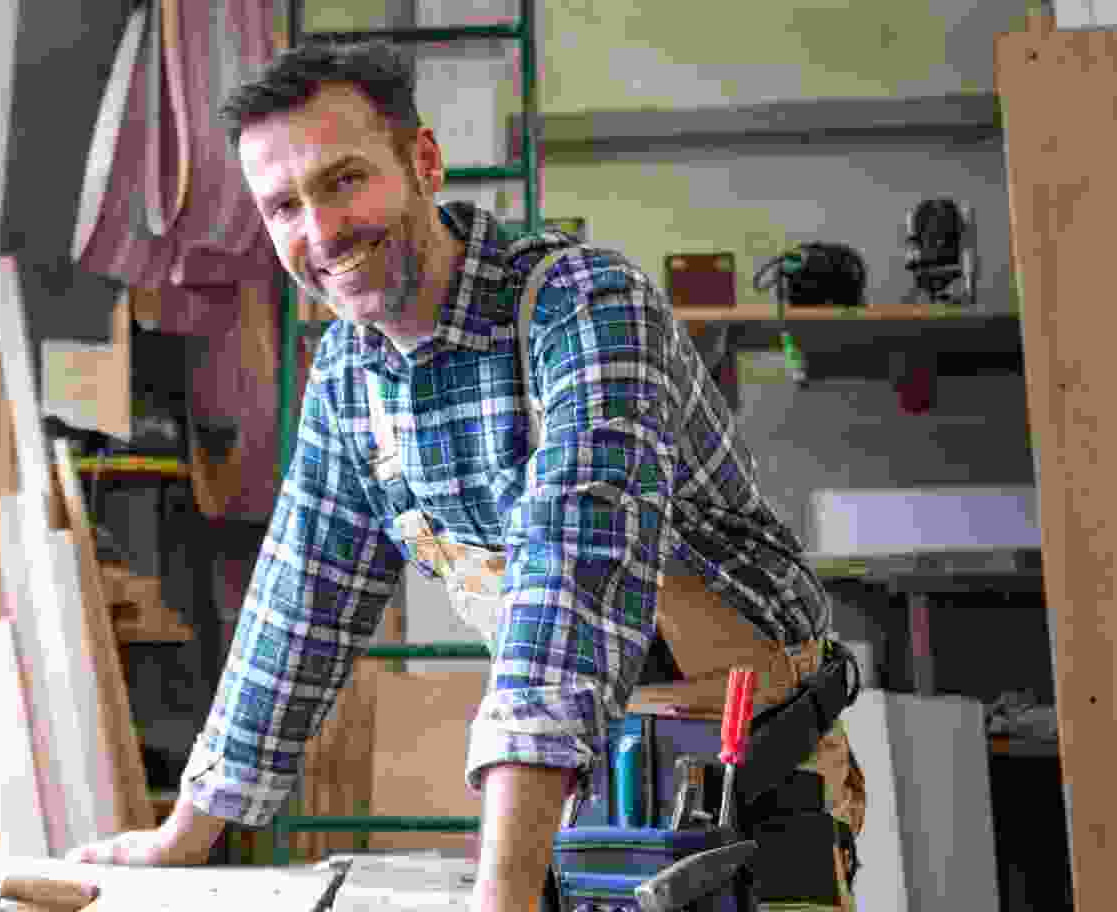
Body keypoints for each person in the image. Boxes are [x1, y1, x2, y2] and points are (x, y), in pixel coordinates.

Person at [66, 41, 866, 912]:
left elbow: (573, 572)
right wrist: (184, 836)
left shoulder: (583, 306)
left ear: (424, 161)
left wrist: (503, 895)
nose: (321, 232)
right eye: (285, 206)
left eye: (343, 180)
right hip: (594, 776)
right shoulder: (348, 378)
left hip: (751, 771)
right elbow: (296, 611)